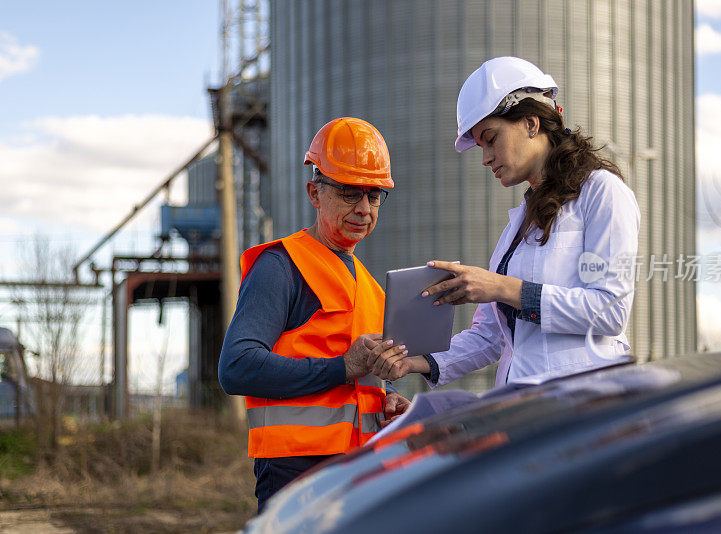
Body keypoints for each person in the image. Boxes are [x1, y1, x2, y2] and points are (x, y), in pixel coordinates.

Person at [368, 56, 641, 389]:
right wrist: (419, 361)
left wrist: (500, 287)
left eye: (491, 138)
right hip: (523, 407)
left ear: (531, 123)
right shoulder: (519, 225)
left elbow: (609, 312)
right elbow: (490, 336)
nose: (485, 158)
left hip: (583, 407)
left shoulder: (602, 192)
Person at [218, 117, 411, 513]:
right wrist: (342, 367)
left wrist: (388, 400)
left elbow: (357, 380)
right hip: (297, 476)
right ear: (314, 193)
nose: (363, 208)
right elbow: (235, 367)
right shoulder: (281, 266)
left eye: (373, 196)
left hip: (361, 473)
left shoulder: (372, 289)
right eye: (348, 193)